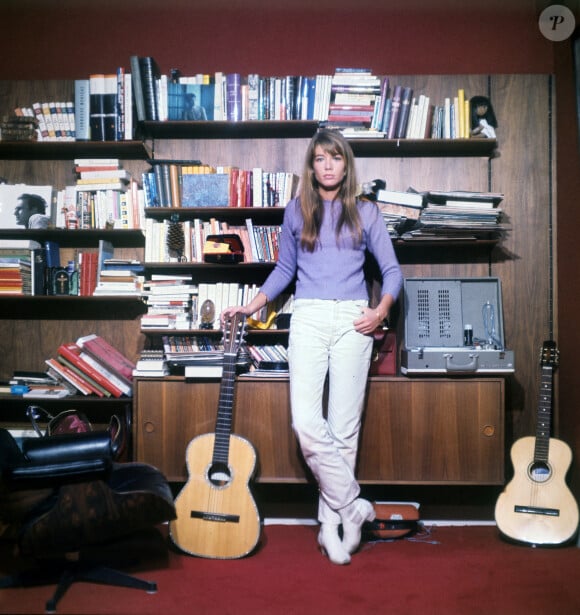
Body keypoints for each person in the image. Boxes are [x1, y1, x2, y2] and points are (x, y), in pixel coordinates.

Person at [222, 129, 403, 565]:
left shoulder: (366, 212)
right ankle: (354, 507)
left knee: (344, 431)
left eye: (335, 158)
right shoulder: (295, 211)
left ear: (346, 165)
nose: (327, 166)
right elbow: (285, 270)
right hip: (306, 318)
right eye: (320, 158)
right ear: (312, 165)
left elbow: (393, 272)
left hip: (353, 322)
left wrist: (379, 312)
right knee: (306, 424)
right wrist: (251, 305)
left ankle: (331, 525)